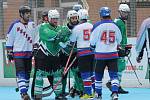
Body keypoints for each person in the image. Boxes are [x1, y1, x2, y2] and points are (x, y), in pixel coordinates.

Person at [33, 9, 71, 100]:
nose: (55, 20)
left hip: (55, 57)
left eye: (56, 18)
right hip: (43, 57)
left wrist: (68, 34)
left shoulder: (59, 28)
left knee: (57, 75)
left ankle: (58, 95)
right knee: (39, 76)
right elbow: (50, 36)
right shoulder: (43, 26)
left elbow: (65, 39)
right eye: (53, 18)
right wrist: (61, 34)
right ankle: (37, 95)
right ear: (49, 18)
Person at [90, 7, 122, 100]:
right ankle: (115, 93)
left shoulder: (97, 25)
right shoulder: (115, 25)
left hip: (100, 55)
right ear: (109, 14)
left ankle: (98, 94)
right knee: (114, 75)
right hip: (112, 54)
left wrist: (92, 47)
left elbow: (92, 41)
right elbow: (119, 40)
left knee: (98, 75)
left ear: (101, 15)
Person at [6, 5, 35, 100]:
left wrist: (36, 48)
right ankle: (23, 93)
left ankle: (25, 92)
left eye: (29, 13)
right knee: (21, 73)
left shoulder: (32, 24)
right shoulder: (14, 25)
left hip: (29, 53)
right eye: (26, 13)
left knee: (27, 74)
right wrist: (9, 53)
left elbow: (36, 37)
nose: (28, 15)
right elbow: (9, 39)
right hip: (18, 53)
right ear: (21, 14)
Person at [106, 3, 130, 94]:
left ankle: (116, 84)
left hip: (120, 48)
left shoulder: (119, 22)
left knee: (120, 67)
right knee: (120, 67)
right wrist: (120, 48)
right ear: (119, 12)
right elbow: (116, 36)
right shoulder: (119, 23)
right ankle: (113, 84)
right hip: (118, 49)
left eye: (127, 13)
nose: (126, 14)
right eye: (124, 12)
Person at [69, 9, 94, 99]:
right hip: (92, 53)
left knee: (85, 74)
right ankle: (95, 92)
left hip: (83, 53)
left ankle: (88, 94)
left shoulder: (77, 28)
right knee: (92, 73)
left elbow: (71, 41)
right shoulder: (92, 25)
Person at [60, 10, 84, 98]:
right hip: (65, 54)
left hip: (75, 54)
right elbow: (61, 40)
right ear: (68, 19)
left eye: (76, 18)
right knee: (63, 73)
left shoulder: (80, 28)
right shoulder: (64, 29)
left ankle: (80, 90)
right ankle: (62, 92)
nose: (74, 20)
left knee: (77, 73)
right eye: (72, 18)